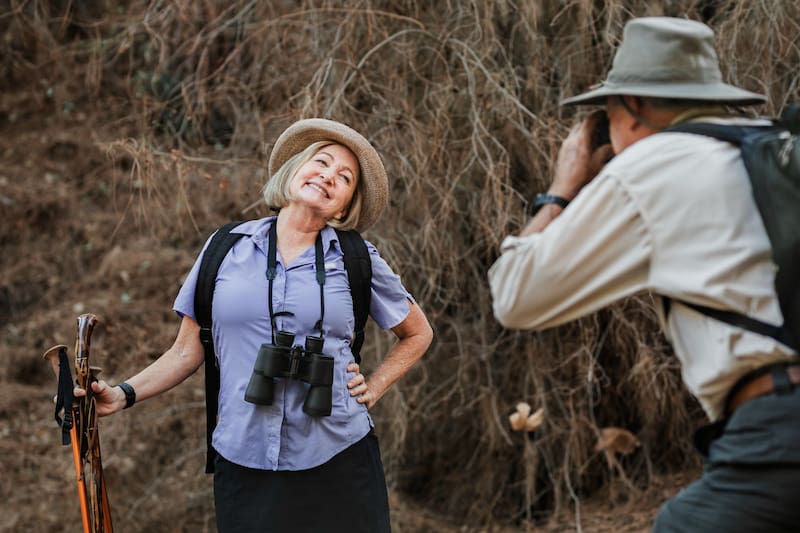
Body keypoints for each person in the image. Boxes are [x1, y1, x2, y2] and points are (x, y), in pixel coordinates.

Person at [488, 16, 799, 532]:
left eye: (605, 113)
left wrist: (562, 190)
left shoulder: (655, 163)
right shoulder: (772, 146)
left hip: (780, 433)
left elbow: (516, 296)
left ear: (630, 105)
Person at [77, 118, 434, 532]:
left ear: (343, 206)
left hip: (339, 454)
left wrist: (374, 386)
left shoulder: (357, 259)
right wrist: (123, 394)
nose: (328, 176)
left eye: (344, 177)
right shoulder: (225, 249)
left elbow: (417, 332)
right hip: (244, 461)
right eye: (321, 162)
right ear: (295, 170)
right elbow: (186, 351)